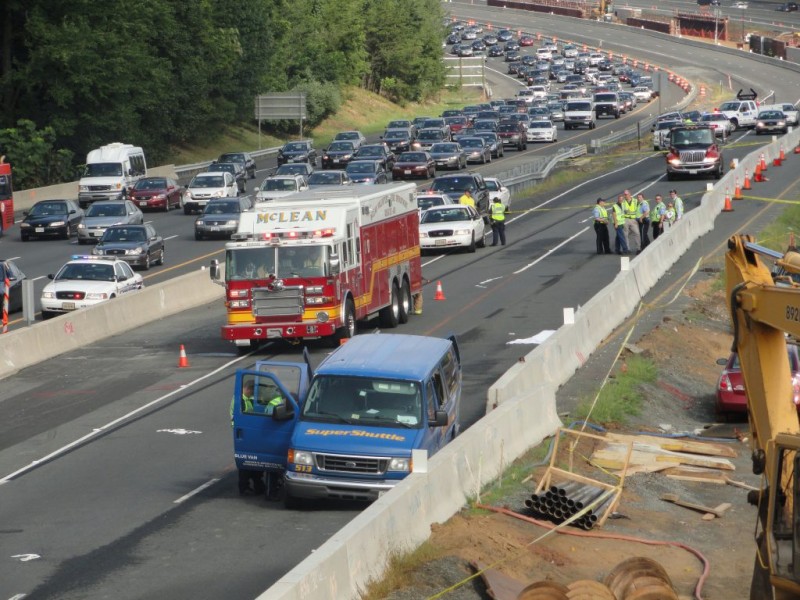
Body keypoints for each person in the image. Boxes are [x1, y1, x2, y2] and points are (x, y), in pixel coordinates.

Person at [231, 380, 266, 496]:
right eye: (251, 392)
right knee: (247, 460)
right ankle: (244, 486)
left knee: (251, 459)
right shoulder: (241, 401)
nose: (252, 395)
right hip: (244, 433)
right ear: (248, 389)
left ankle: (252, 485)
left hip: (246, 432)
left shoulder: (245, 400)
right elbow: (243, 418)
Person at [622, 189, 640, 254]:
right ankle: (627, 249)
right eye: (624, 194)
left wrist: (638, 218)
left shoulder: (635, 201)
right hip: (625, 219)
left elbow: (639, 209)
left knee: (637, 233)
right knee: (625, 235)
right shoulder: (623, 202)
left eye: (626, 194)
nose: (625, 195)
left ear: (630, 194)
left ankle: (638, 248)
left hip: (633, 219)